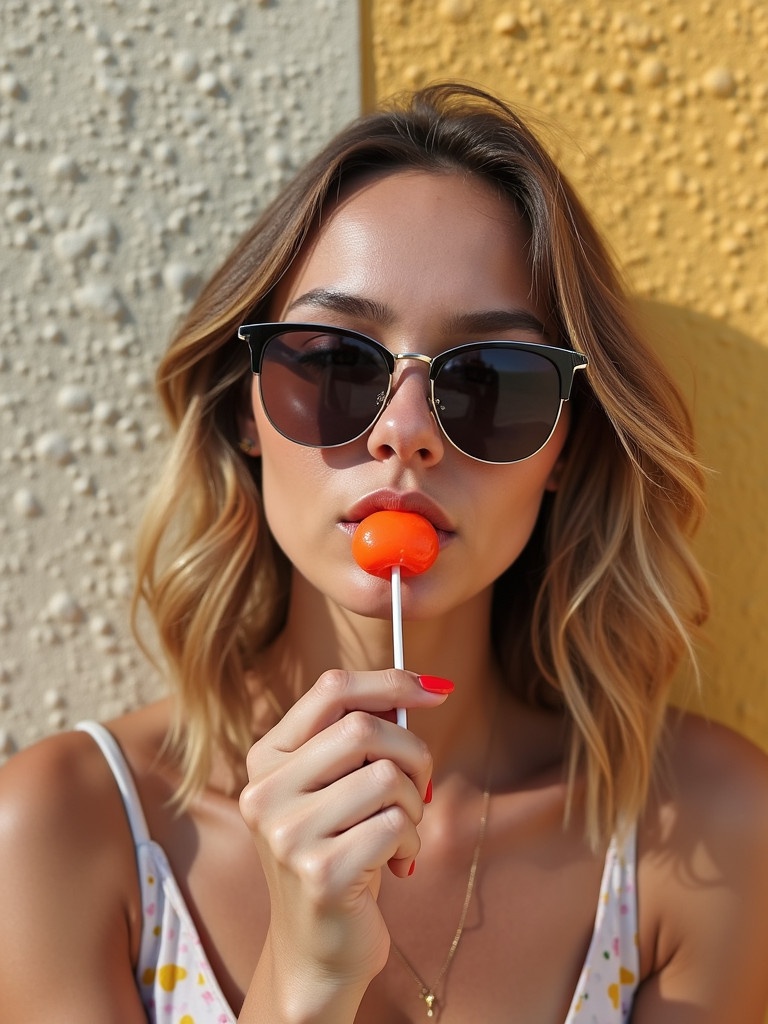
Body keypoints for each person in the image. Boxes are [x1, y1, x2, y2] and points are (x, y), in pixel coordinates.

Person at [1, 82, 767, 1024]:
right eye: (334, 362)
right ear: (246, 407)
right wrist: (304, 985)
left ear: (566, 443)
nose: (405, 434)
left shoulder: (704, 833)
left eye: (490, 380)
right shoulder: (66, 831)